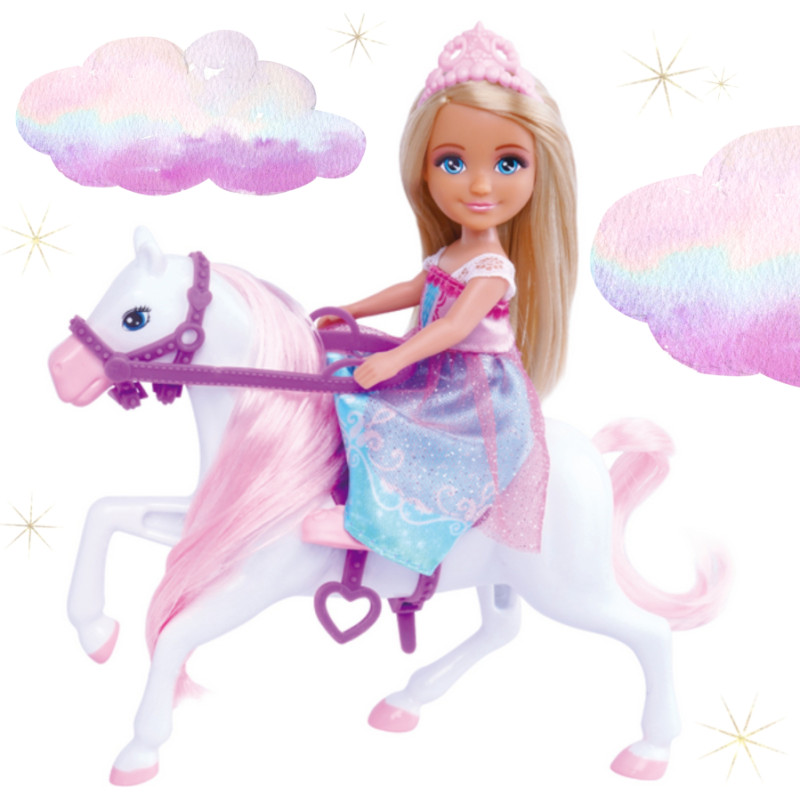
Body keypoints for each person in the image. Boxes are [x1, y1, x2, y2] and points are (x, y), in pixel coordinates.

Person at [316, 23, 577, 576]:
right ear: (424, 169)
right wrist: (352, 311)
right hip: (441, 372)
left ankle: (380, 524)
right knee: (343, 375)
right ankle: (349, 495)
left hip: (476, 392)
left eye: (508, 164)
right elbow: (414, 290)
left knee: (389, 420)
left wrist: (394, 359)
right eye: (452, 163)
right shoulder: (453, 253)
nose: (480, 186)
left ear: (539, 172)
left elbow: (456, 327)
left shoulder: (492, 268)